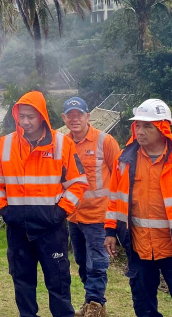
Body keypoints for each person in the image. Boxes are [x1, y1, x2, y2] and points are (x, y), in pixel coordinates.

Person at [103, 99, 172, 317]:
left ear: (163, 128)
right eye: (138, 125)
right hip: (140, 247)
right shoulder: (124, 160)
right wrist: (109, 231)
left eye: (147, 126)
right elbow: (115, 199)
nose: (140, 131)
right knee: (143, 307)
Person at [0, 91, 88, 317]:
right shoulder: (4, 144)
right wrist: (3, 210)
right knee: (23, 284)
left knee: (59, 283)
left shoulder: (63, 144)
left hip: (51, 229)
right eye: (22, 116)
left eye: (30, 116)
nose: (25, 122)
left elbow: (78, 183)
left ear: (42, 116)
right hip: (17, 229)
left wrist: (60, 212)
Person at [60, 97, 120, 317]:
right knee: (82, 262)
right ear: (64, 118)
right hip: (73, 216)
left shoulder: (105, 141)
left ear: (88, 116)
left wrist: (117, 214)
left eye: (79, 114)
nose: (75, 119)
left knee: (97, 263)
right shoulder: (63, 143)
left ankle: (94, 304)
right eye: (70, 115)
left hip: (98, 216)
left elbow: (121, 176)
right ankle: (93, 304)